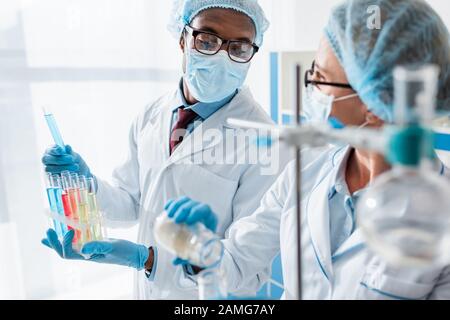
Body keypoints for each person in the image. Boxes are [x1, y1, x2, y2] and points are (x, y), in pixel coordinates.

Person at [167, 0, 450, 299]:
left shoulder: (439, 216)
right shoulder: (304, 174)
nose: (310, 86)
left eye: (322, 78)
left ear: (375, 103)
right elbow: (236, 263)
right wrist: (202, 247)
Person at [41, 0, 290, 299]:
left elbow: (245, 271)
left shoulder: (268, 144)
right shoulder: (151, 115)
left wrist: (148, 259)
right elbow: (132, 203)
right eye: (208, 40)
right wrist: (86, 185)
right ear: (183, 39)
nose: (222, 57)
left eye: (238, 48)